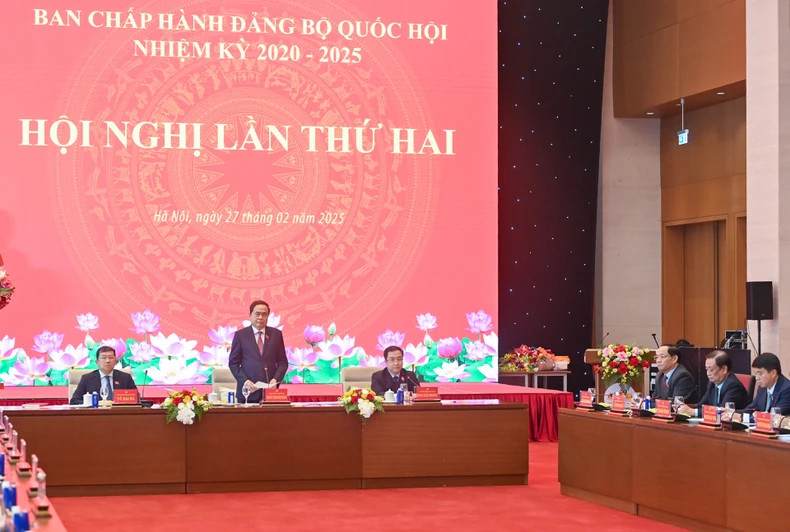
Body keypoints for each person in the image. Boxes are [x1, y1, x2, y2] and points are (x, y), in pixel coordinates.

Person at [228, 300, 287, 403]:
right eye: (257, 314)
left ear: (268, 317)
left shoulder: (276, 334)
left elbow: (283, 362)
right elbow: (233, 363)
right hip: (248, 393)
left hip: (270, 393)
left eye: (264, 314)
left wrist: (276, 380)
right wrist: (245, 381)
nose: (260, 317)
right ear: (250, 315)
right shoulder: (241, 335)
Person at [678, 350, 749, 416]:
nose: (708, 373)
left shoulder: (733, 385)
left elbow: (722, 411)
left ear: (724, 369)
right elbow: (702, 405)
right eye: (706, 369)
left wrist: (694, 412)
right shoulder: (712, 383)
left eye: (711, 370)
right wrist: (685, 408)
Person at [69, 345, 138, 404]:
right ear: (97, 362)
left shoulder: (125, 378)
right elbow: (74, 401)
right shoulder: (87, 378)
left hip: (119, 415)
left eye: (110, 357)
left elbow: (137, 399)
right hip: (95, 416)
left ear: (115, 361)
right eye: (104, 358)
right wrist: (95, 403)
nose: (107, 361)